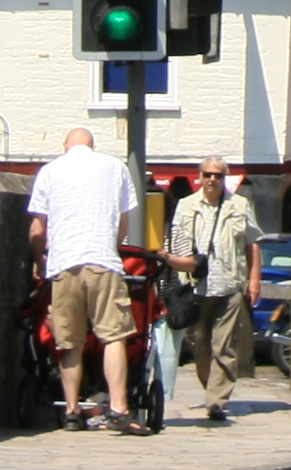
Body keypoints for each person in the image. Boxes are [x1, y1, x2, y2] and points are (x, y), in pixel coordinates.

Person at [27, 123, 150, 434]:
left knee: (70, 342)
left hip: (64, 263)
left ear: (65, 146)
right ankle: (119, 408)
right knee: (113, 336)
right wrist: (111, 244)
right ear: (92, 146)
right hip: (103, 261)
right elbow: (123, 224)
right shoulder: (115, 167)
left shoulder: (50, 171)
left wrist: (38, 259)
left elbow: (37, 230)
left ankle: (70, 411)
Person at [166, 159, 261, 418]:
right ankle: (211, 387)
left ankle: (216, 400)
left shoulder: (239, 205)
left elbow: (253, 242)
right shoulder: (186, 206)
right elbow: (176, 241)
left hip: (229, 283)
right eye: (207, 175)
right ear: (199, 176)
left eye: (217, 176)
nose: (212, 180)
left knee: (224, 345)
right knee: (199, 343)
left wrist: (254, 279)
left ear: (224, 178)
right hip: (195, 285)